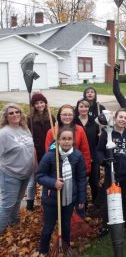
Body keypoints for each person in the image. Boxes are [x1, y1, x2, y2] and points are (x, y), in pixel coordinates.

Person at [37, 127, 86, 255]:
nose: (66, 142)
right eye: (63, 139)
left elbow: (81, 179)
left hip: (69, 198)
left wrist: (81, 198)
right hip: (52, 198)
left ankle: (65, 247)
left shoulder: (77, 155)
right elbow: (39, 175)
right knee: (49, 226)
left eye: (69, 139)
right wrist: (53, 183)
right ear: (58, 140)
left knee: (65, 225)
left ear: (73, 140)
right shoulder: (50, 156)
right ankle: (43, 250)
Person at [96, 108, 126, 235]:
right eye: (121, 117)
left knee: (125, 199)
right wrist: (104, 161)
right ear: (116, 118)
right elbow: (99, 150)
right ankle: (106, 226)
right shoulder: (108, 132)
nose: (123, 120)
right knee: (109, 199)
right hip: (111, 172)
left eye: (125, 118)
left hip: (125, 173)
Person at [0, 103, 35, 233]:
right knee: (7, 205)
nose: (15, 115)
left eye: (17, 112)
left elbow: (31, 148)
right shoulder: (3, 134)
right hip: (10, 174)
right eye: (11, 113)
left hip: (25, 174)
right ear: (6, 117)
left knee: (18, 200)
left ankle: (13, 223)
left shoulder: (24, 128)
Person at [26, 92, 56, 211]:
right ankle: (30, 202)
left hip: (48, 151)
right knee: (32, 179)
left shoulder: (50, 116)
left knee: (47, 177)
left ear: (45, 103)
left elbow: (54, 132)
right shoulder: (29, 119)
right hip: (35, 151)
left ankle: (46, 200)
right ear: (33, 105)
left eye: (42, 102)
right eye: (37, 103)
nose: (40, 105)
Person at [45, 104, 91, 176]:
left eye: (70, 115)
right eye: (64, 114)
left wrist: (86, 169)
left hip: (76, 168)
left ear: (73, 116)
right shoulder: (52, 132)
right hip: (57, 170)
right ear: (59, 116)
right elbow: (48, 152)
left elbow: (85, 151)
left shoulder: (79, 130)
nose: (67, 117)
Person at [75, 99, 100, 203]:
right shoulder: (74, 121)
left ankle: (96, 202)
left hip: (93, 156)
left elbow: (99, 139)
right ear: (77, 108)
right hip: (78, 157)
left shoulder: (95, 121)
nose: (84, 109)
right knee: (81, 182)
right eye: (81, 106)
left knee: (94, 181)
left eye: (86, 107)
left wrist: (101, 136)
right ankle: (82, 203)